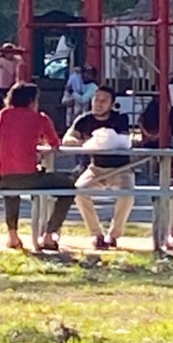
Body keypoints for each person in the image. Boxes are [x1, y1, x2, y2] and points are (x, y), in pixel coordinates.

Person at [0, 82, 72, 251]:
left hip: (3, 176)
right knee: (68, 187)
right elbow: (54, 143)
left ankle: (13, 235)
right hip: (29, 177)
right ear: (32, 100)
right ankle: (49, 234)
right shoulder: (39, 118)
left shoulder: (2, 115)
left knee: (11, 193)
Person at [64, 85, 134, 250]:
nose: (98, 104)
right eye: (96, 100)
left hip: (121, 168)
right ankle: (96, 234)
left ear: (111, 104)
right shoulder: (83, 120)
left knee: (127, 195)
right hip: (96, 168)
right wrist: (82, 142)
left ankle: (114, 235)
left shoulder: (120, 119)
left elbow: (119, 139)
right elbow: (67, 139)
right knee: (80, 191)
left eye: (104, 101)